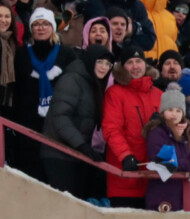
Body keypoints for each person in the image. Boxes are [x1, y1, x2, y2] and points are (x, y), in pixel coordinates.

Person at [41, 44, 114, 200]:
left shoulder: (93, 82)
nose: (103, 67)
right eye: (100, 62)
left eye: (108, 64)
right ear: (90, 60)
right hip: (59, 153)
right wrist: (81, 145)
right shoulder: (72, 79)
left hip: (75, 154)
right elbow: (60, 117)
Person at [12, 7, 77, 182]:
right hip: (27, 123)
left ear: (52, 28)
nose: (41, 28)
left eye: (46, 24)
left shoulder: (67, 54)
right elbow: (16, 89)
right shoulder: (21, 54)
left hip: (55, 124)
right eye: (37, 24)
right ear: (31, 28)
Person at [102, 44, 163, 208]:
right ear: (123, 67)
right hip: (125, 176)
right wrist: (125, 156)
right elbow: (111, 129)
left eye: (138, 61)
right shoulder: (115, 93)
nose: (135, 66)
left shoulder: (159, 94)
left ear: (145, 64)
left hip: (155, 178)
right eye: (130, 62)